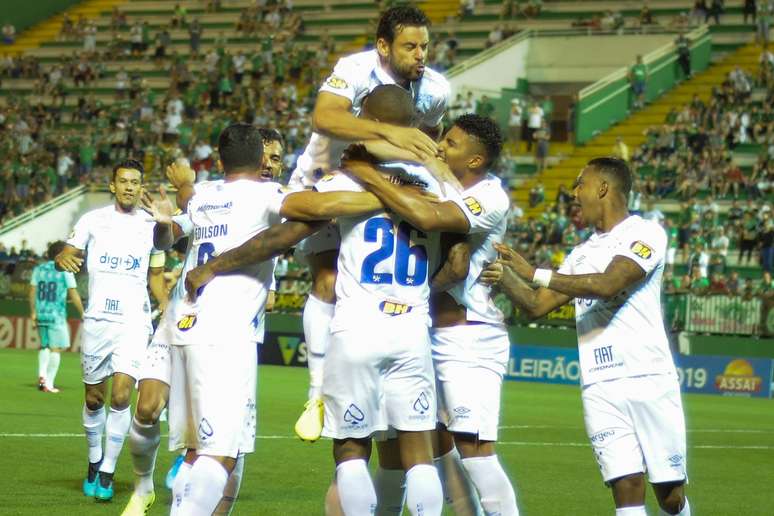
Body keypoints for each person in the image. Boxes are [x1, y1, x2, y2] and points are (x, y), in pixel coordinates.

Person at [480, 157, 690, 516]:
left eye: (580, 184)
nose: (574, 194)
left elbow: (608, 283)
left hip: (648, 378)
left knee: (669, 494)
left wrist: (535, 272)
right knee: (625, 486)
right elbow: (535, 304)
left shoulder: (646, 233)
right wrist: (502, 274)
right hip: (599, 384)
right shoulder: (581, 254)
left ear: (603, 188)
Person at [342, 114, 519, 515]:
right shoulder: (437, 182)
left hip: (467, 335)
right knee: (408, 446)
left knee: (474, 449)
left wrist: (366, 176)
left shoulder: (490, 196)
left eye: (452, 144)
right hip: (421, 332)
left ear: (475, 160)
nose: (440, 147)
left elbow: (429, 221)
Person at [290, 5, 450, 443]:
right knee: (326, 281)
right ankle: (317, 392)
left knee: (376, 280)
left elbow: (427, 141)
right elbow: (324, 117)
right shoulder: (356, 68)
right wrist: (390, 133)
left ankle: (379, 382)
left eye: (425, 47)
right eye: (410, 46)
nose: (421, 55)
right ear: (383, 46)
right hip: (325, 173)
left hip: (381, 178)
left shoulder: (435, 90)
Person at [120, 131, 288, 516]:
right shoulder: (249, 197)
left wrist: (185, 190)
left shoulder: (232, 195)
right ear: (250, 157)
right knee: (210, 440)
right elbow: (169, 233)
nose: (270, 164)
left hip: (213, 324)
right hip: (193, 323)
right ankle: (145, 488)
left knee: (212, 446)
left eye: (277, 159)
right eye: (265, 156)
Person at [55, 159, 168, 502]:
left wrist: (169, 305)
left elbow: (156, 276)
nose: (130, 187)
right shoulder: (93, 220)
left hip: (134, 320)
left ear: (141, 186)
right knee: (94, 398)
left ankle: (107, 470)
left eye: (136, 181)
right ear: (113, 186)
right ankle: (93, 461)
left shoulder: (152, 226)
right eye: (124, 181)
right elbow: (69, 253)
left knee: (121, 396)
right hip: (98, 319)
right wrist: (62, 256)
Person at [29, 240, 84, 392]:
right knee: (57, 348)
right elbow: (74, 294)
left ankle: (42, 375)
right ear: (62, 253)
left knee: (45, 345)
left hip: (41, 313)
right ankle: (49, 383)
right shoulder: (64, 270)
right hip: (56, 315)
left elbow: (32, 292)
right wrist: (83, 313)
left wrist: (33, 312)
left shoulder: (39, 269)